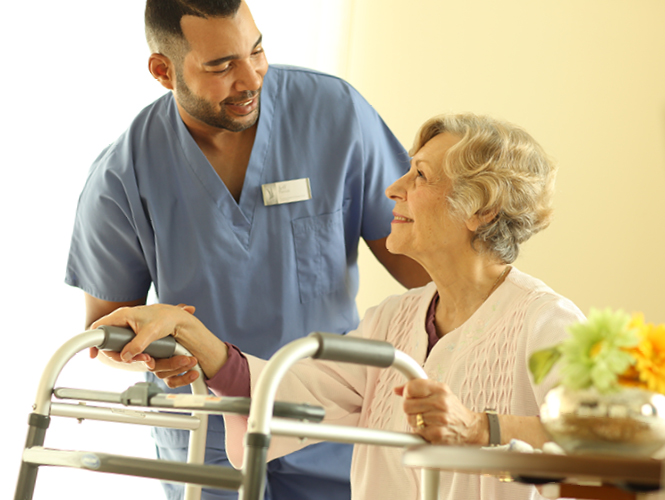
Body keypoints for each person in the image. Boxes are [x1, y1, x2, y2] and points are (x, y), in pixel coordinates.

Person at [94, 113, 586, 500]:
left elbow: (613, 447)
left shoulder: (546, 322)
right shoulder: (391, 322)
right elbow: (294, 392)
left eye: (420, 175)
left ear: (482, 209)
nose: (394, 188)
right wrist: (187, 332)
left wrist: (479, 428)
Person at [64, 1, 430, 499]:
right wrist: (147, 354)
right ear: (163, 70)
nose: (251, 78)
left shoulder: (334, 115)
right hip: (204, 431)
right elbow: (105, 332)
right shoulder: (121, 175)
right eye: (221, 66)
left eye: (256, 51)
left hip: (328, 417)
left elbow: (426, 267)